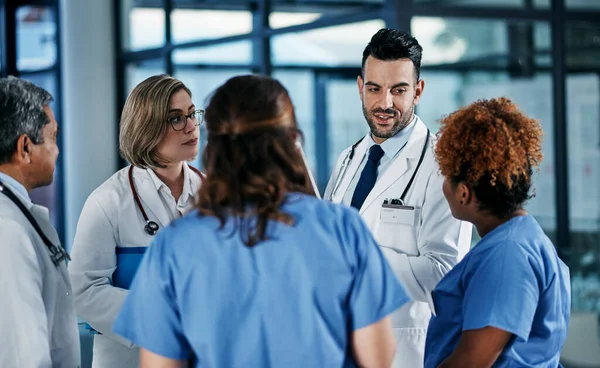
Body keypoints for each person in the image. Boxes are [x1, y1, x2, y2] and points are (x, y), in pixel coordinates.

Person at [112, 74, 411, 368]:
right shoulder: (343, 229)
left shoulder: (174, 245)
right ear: (293, 141)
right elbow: (378, 358)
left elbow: (161, 365)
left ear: (214, 148)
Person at [323, 28, 472, 367]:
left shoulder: (441, 166)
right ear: (360, 88)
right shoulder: (349, 158)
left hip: (402, 350)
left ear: (418, 91)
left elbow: (444, 275)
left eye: (398, 90)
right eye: (374, 89)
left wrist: (359, 259)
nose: (385, 103)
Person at [68, 74, 204, 368]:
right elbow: (84, 291)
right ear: (147, 128)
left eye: (192, 114)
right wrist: (164, 318)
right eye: (176, 119)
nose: (192, 126)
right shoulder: (108, 202)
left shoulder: (217, 197)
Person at [425, 97, 571, 367]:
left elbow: (473, 361)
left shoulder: (507, 254)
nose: (443, 186)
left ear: (464, 193)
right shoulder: (520, 239)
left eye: (446, 175)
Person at [0, 76, 80, 367]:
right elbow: (23, 357)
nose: (57, 150)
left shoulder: (17, 215)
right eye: (53, 137)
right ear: (24, 148)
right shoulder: (7, 229)